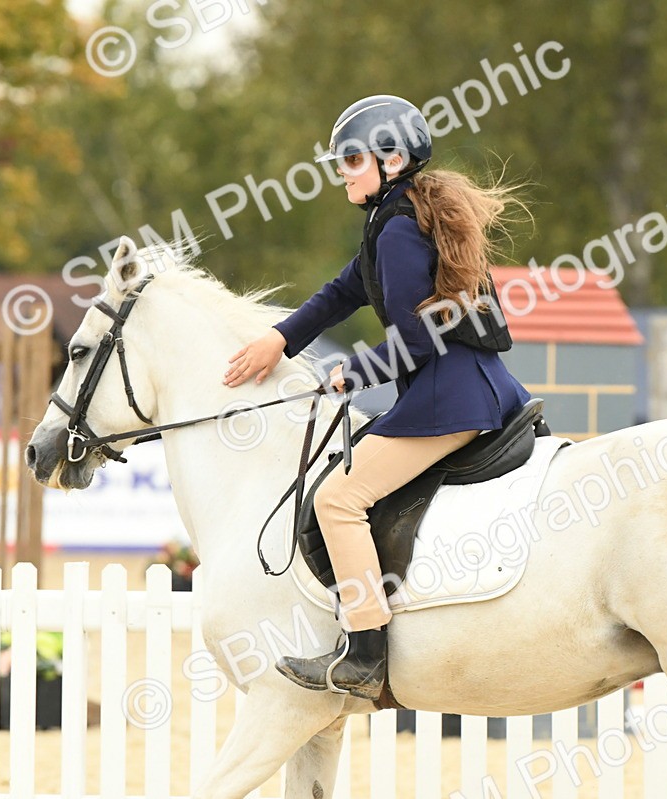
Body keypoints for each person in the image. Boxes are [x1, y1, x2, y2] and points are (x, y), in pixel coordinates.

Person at [221, 95, 531, 700]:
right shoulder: (397, 217)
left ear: (392, 160)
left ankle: (364, 652)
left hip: (448, 400)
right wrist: (278, 339)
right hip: (477, 387)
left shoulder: (396, 230)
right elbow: (342, 292)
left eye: (351, 159)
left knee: (338, 500)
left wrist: (351, 372)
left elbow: (418, 337)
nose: (341, 169)